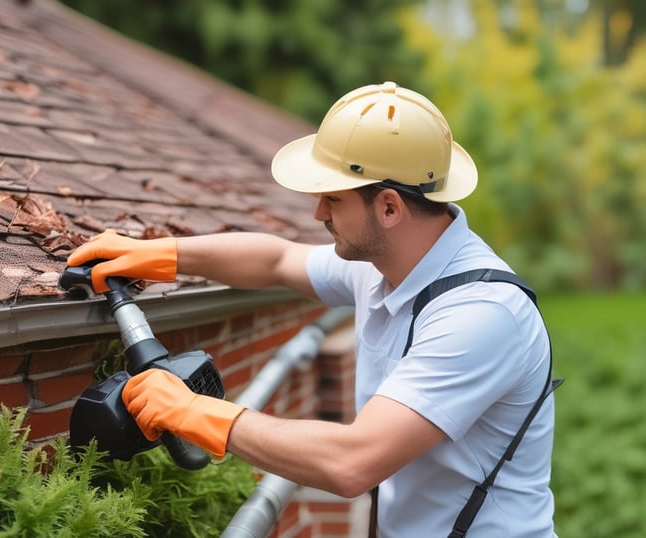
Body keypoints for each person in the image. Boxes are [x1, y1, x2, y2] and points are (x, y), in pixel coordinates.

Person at [67, 81, 558, 537]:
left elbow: (352, 463)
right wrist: (158, 254)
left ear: (389, 208)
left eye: (333, 199)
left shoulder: (481, 316)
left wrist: (194, 411)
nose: (317, 213)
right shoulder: (385, 264)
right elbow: (278, 259)